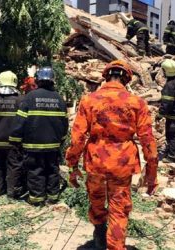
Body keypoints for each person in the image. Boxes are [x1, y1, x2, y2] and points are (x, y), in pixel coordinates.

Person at [66, 60, 158, 249]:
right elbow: (147, 139)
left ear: (106, 77)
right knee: (119, 210)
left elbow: (77, 138)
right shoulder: (136, 103)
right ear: (126, 79)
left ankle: (100, 237)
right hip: (122, 165)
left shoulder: (89, 100)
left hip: (96, 162)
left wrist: (72, 166)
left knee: (97, 203)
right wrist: (151, 174)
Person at [10, 66, 68, 206]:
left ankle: (37, 199)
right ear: (53, 81)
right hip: (53, 146)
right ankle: (53, 197)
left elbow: (20, 122)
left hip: (33, 145)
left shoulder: (30, 97)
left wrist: (15, 140)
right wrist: (61, 140)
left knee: (35, 171)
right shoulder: (59, 99)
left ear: (38, 80)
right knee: (52, 170)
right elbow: (64, 124)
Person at [157, 59, 175, 163]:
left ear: (165, 71)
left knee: (172, 134)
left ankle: (173, 156)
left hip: (174, 115)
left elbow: (166, 104)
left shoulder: (169, 86)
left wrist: (159, 115)